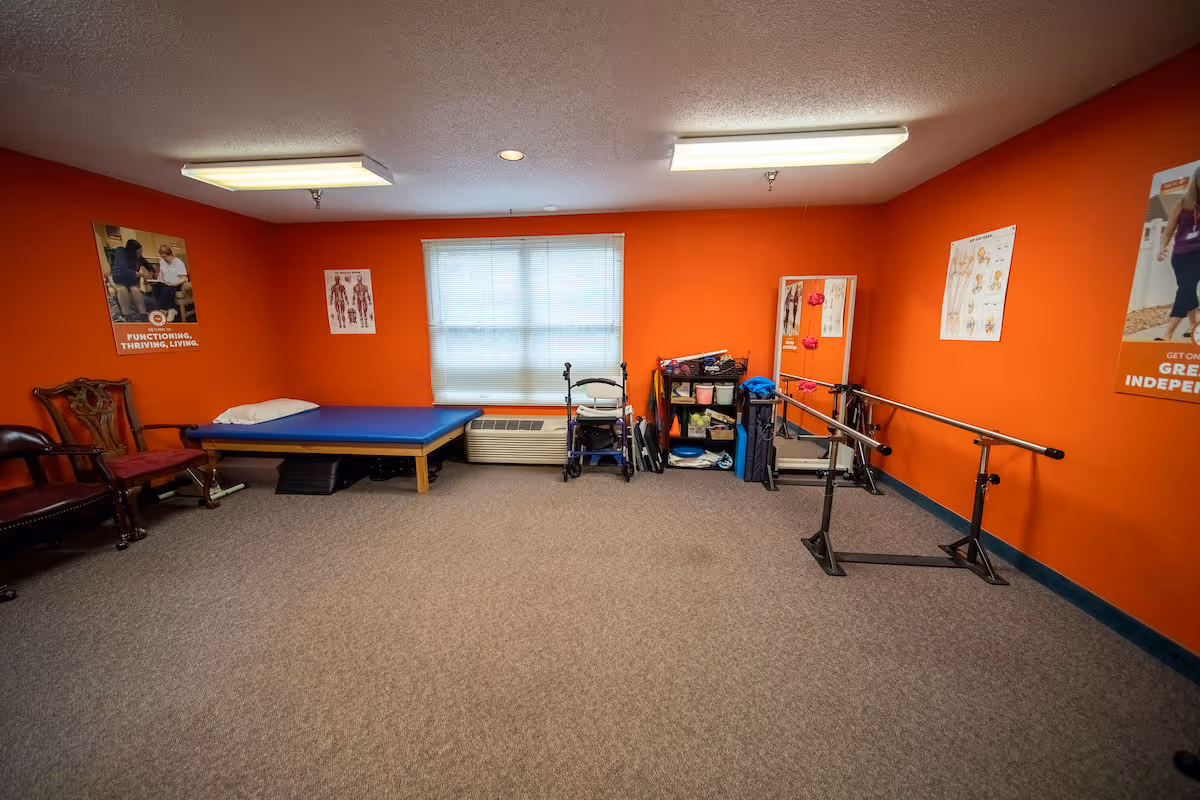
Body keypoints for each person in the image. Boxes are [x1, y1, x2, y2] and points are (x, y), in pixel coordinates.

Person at [1157, 166, 1200, 343]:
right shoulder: (1181, 204)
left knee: (1186, 288)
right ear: (1196, 180)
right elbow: (1168, 231)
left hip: (1198, 254)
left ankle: (1168, 334)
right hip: (1180, 255)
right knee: (1187, 290)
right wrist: (1162, 247)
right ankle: (1194, 329)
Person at [109, 239, 151, 320]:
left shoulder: (138, 257)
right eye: (138, 253)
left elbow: (149, 267)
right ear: (132, 252)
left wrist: (150, 274)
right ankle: (126, 316)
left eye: (141, 252)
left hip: (129, 281)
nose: (140, 254)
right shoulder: (120, 252)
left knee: (136, 290)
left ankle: (143, 315)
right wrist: (142, 274)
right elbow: (123, 269)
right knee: (122, 290)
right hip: (117, 278)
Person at [154, 244, 189, 322]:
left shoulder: (178, 263)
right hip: (166, 282)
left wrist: (173, 284)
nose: (164, 259)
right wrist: (160, 277)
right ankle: (167, 309)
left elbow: (184, 279)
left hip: (176, 284)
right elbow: (161, 272)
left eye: (165, 257)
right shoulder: (162, 260)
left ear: (170, 255)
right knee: (155, 287)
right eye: (162, 257)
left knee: (166, 289)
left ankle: (164, 311)